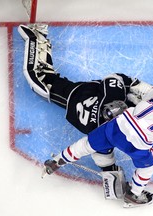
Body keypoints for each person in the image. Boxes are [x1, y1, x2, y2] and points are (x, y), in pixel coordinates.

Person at [42, 76, 153, 206]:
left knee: (86, 144)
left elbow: (147, 98)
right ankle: (133, 194)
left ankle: (56, 161)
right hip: (138, 141)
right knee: (151, 164)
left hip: (119, 125)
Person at [18, 24, 143, 172]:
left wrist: (111, 172)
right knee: (41, 82)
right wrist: (110, 171)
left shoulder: (113, 102)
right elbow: (99, 154)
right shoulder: (110, 130)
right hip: (74, 94)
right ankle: (34, 37)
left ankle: (37, 39)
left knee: (44, 79)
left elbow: (114, 78)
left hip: (75, 93)